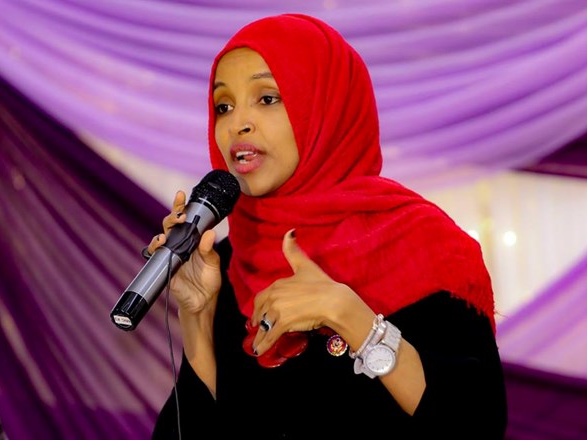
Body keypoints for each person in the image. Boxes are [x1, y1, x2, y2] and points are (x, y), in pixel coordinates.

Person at [150, 13, 507, 439]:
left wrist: (352, 318)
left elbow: (476, 425)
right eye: (223, 106)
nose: (237, 123)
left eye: (267, 98)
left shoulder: (426, 246)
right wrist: (198, 318)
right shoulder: (225, 264)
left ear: (326, 108)